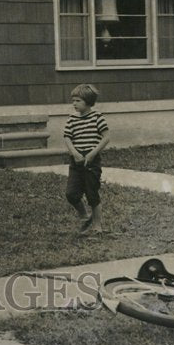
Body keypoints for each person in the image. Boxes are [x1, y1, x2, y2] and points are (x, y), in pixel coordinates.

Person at [63, 84, 110, 235]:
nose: (74, 104)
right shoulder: (72, 119)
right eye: (73, 100)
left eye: (78, 101)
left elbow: (106, 137)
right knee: (71, 193)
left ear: (88, 102)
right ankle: (84, 215)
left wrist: (92, 154)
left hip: (91, 161)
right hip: (76, 161)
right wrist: (74, 153)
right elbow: (67, 138)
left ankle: (97, 225)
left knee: (92, 194)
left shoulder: (97, 117)